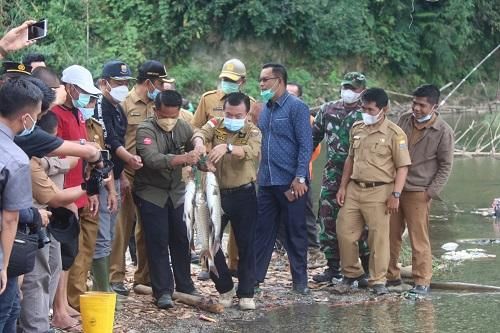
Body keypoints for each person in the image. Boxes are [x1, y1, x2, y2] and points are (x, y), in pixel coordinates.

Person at [336, 88, 411, 295]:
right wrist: (343, 186)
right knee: (345, 232)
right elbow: (350, 159)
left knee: (378, 238)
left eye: (370, 109)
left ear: (383, 109)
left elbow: (403, 166)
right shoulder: (357, 128)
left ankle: (378, 280)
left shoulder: (395, 134)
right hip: (354, 188)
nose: (365, 112)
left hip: (380, 191)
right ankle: (352, 273)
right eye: (363, 107)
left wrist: (396, 194)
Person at [192, 92, 261, 310]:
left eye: (237, 114)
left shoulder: (253, 130)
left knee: (246, 244)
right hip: (216, 194)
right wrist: (199, 146)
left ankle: (246, 293)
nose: (232, 117)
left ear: (246, 113)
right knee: (210, 243)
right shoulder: (215, 124)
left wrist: (228, 148)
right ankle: (224, 287)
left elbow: (252, 151)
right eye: (229, 113)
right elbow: (199, 133)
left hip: (244, 194)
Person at [110, 60, 173, 296]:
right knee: (121, 229)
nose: (162, 87)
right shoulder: (124, 104)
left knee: (148, 229)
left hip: (152, 177)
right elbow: (114, 141)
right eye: (159, 83)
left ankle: (143, 277)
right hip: (127, 174)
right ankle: (115, 277)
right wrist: (120, 174)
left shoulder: (160, 105)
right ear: (149, 82)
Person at [134, 90, 200, 309]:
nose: (169, 121)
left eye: (174, 116)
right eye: (165, 116)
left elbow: (195, 144)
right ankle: (162, 290)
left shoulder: (182, 126)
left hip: (177, 192)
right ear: (156, 111)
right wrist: (184, 158)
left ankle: (185, 284)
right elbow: (152, 159)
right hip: (151, 192)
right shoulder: (145, 128)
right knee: (158, 240)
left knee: (181, 238)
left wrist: (202, 156)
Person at [387, 84, 454, 295]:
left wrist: (430, 193)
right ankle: (391, 277)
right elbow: (391, 150)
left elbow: (445, 166)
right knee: (390, 235)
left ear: (434, 106)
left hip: (419, 191)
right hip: (395, 187)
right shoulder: (404, 120)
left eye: (422, 105)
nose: (416, 108)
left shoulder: (443, 131)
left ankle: (421, 281)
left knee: (419, 238)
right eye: (414, 103)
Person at [192, 58, 255, 280]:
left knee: (243, 235)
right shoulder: (208, 100)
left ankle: (237, 268)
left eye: (232, 80)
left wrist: (228, 147)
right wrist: (200, 148)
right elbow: (197, 128)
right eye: (224, 79)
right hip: (212, 174)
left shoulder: (251, 105)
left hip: (240, 181)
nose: (227, 83)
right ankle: (208, 265)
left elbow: (253, 144)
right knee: (208, 225)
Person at [254, 63, 313, 294]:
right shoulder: (266, 108)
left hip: (290, 182)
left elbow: (305, 144)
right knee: (262, 231)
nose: (261, 84)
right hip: (267, 181)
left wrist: (300, 177)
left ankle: (300, 281)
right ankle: (255, 280)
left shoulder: (297, 107)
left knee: (295, 231)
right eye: (260, 80)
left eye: (265, 79)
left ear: (279, 81)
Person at [311, 72, 371, 283]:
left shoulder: (368, 113)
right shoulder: (328, 110)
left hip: (359, 176)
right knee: (327, 219)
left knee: (360, 223)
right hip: (332, 174)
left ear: (362, 91)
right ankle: (333, 267)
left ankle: (365, 268)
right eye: (346, 87)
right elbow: (312, 139)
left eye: (353, 89)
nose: (348, 91)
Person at [0, 78, 42, 332]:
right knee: (5, 309)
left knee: (13, 307)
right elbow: (10, 218)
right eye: (36, 116)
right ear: (25, 118)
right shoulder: (15, 159)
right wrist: (3, 266)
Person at [284, 81, 325, 269]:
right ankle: (281, 249)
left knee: (306, 212)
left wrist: (301, 165)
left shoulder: (308, 119)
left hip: (301, 175)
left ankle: (314, 249)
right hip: (278, 175)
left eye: (293, 95)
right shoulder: (274, 114)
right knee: (278, 213)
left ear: (299, 98)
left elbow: (314, 148)